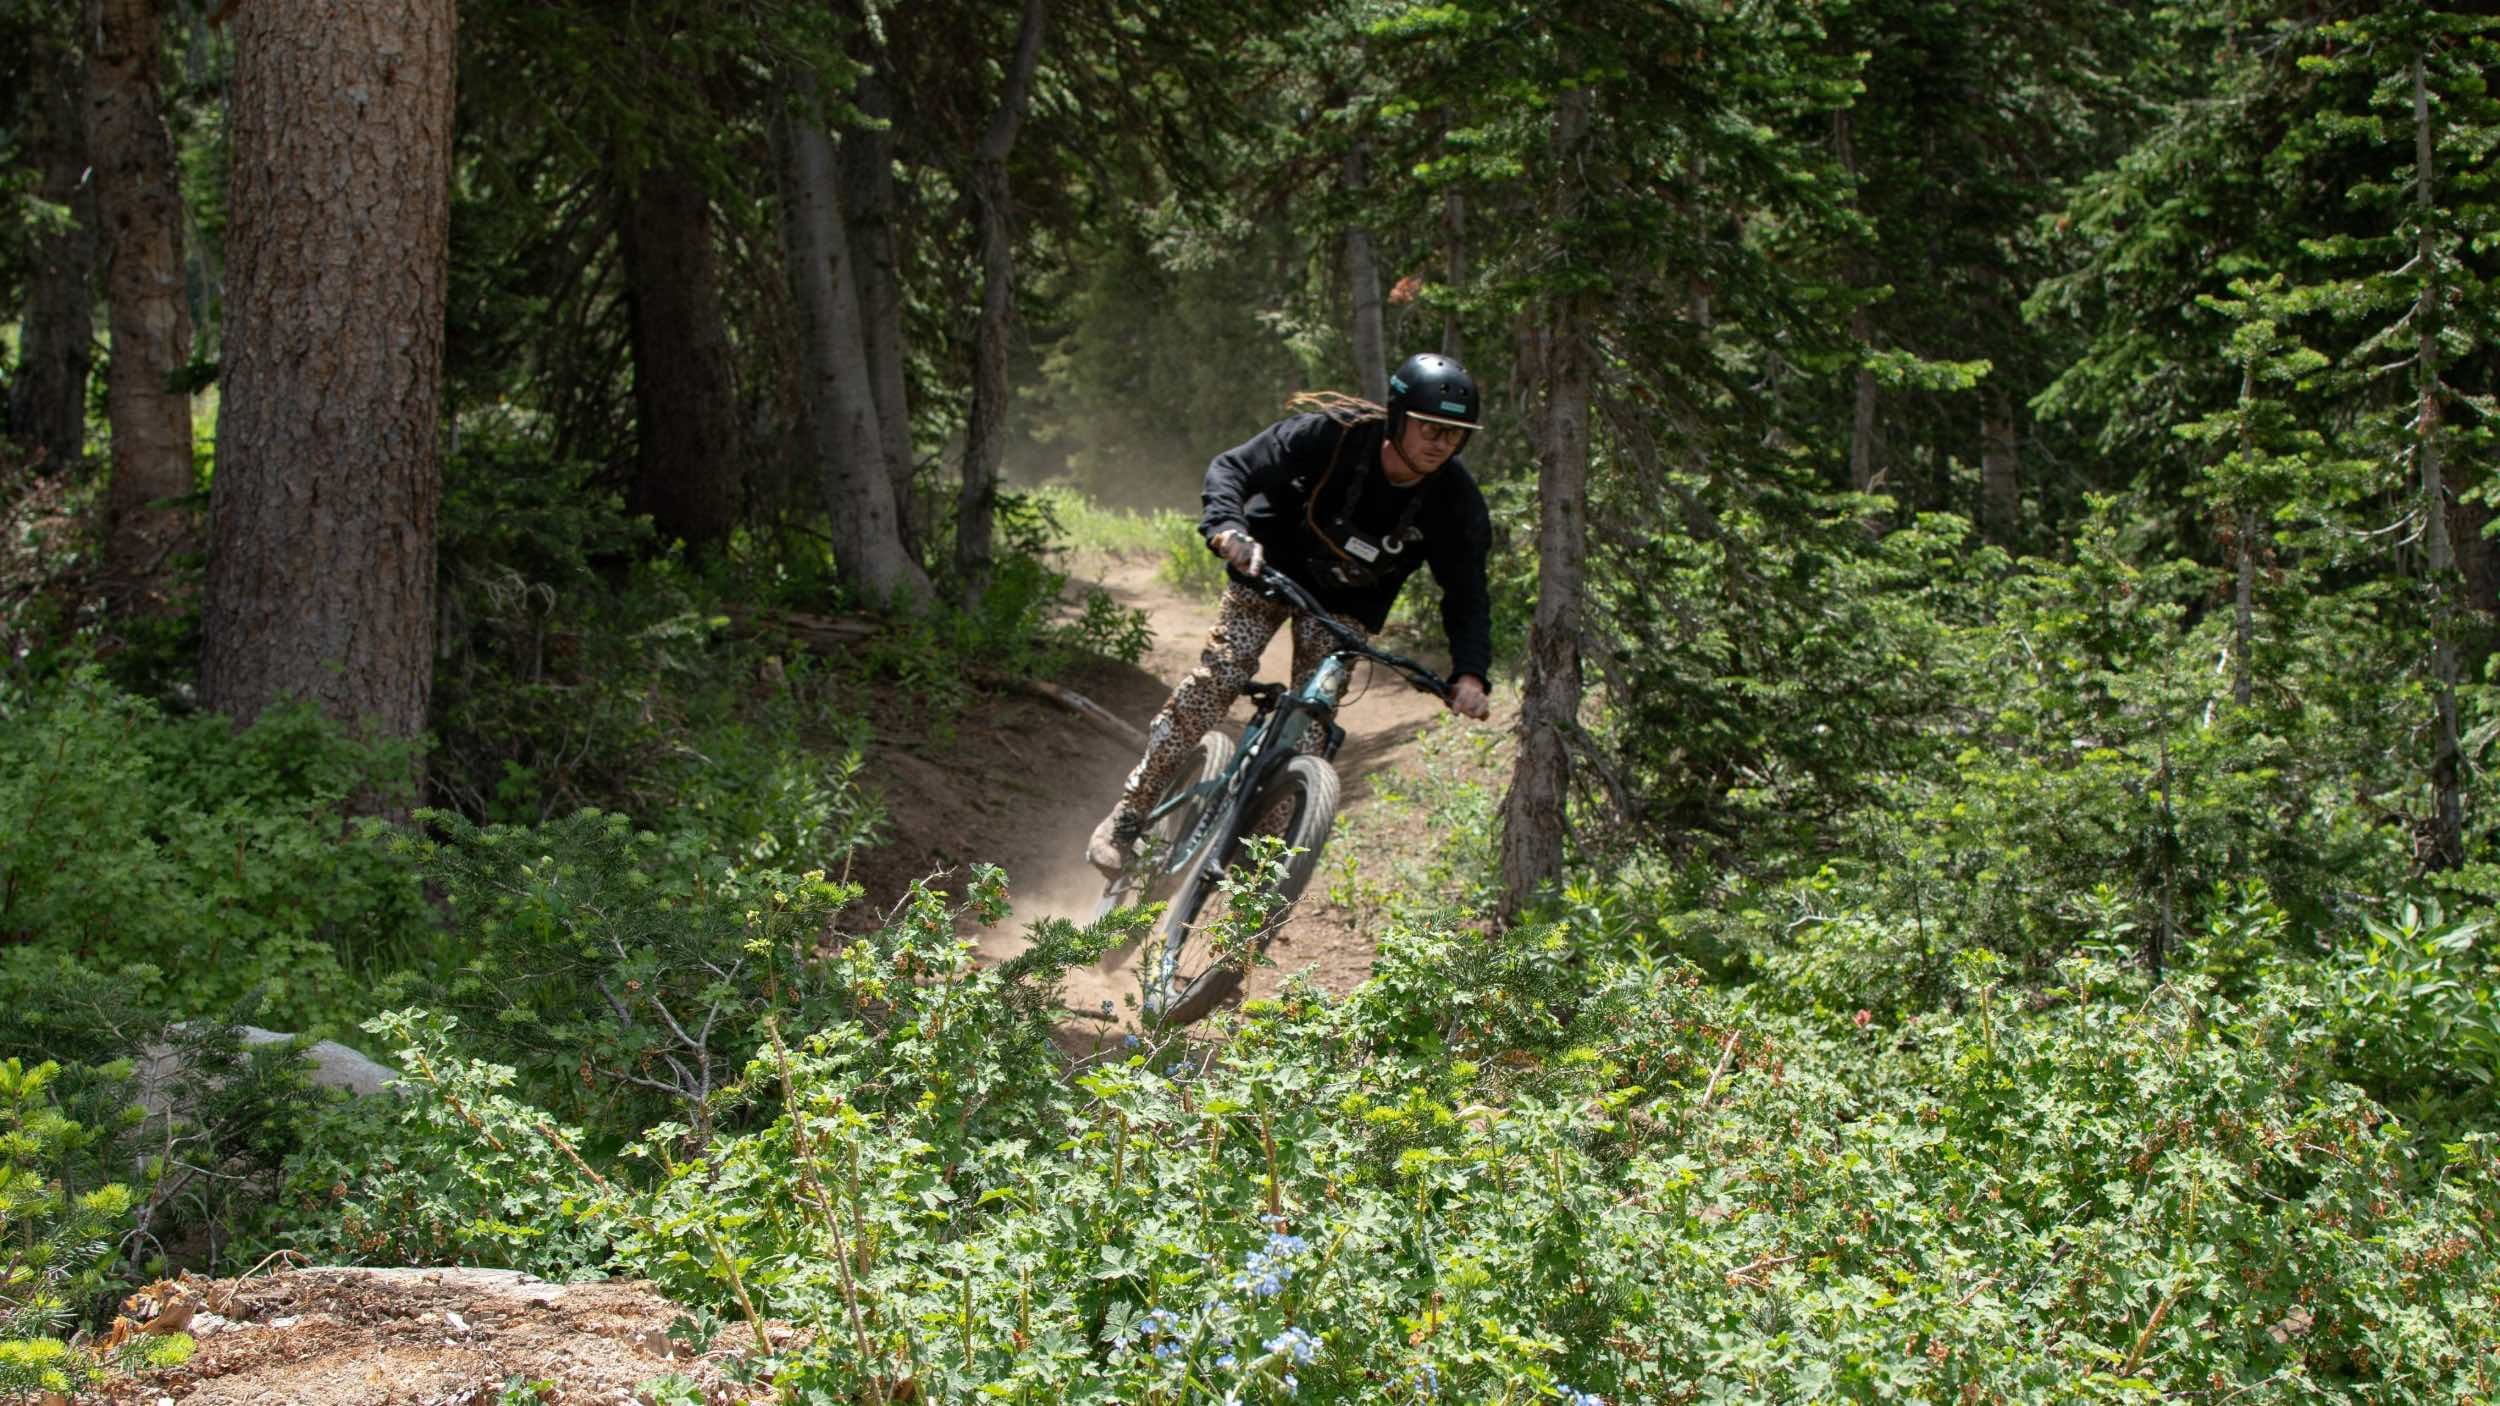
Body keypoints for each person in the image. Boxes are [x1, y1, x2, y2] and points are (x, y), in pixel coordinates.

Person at [1086, 351, 1497, 876]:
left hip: (1344, 605)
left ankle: (1258, 870)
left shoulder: (1456, 501)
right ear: (1397, 416)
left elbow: (1466, 592)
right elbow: (1233, 467)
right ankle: (1129, 813)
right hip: (1266, 568)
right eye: (1430, 427)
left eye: (1455, 434)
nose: (1442, 443)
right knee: (1222, 676)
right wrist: (1228, 528)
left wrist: (1469, 672)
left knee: (1310, 730)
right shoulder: (1334, 434)